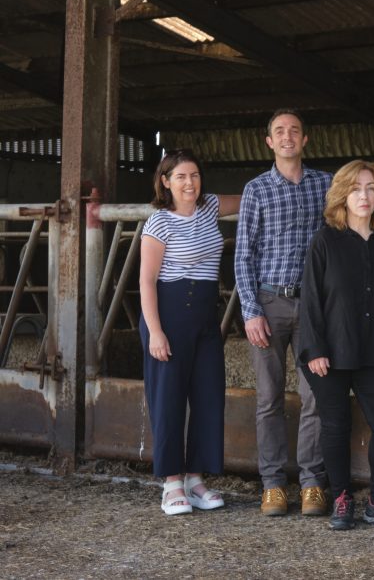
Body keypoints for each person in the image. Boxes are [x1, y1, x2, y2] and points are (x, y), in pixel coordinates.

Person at [298, 160, 374, 531]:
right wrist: (315, 348)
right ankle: (341, 497)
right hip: (329, 354)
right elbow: (310, 299)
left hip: (371, 353)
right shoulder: (326, 240)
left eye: (370, 189)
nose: (364, 196)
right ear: (342, 196)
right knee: (335, 425)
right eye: (355, 189)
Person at [234, 109, 332, 517]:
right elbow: (243, 254)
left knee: (316, 396)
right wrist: (251, 311)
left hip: (312, 306)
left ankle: (312, 483)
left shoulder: (325, 185)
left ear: (305, 139)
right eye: (280, 132)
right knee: (269, 397)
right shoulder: (256, 189)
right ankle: (273, 485)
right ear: (269, 141)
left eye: (294, 130)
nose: (288, 137)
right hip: (270, 303)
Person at [138, 149, 240, 515]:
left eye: (194, 175)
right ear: (165, 181)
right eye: (180, 176)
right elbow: (146, 282)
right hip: (169, 313)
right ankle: (171, 483)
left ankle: (196, 479)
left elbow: (251, 198)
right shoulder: (158, 223)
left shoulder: (210, 207)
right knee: (168, 399)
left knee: (208, 395)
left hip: (204, 314)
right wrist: (155, 333)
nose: (189, 183)